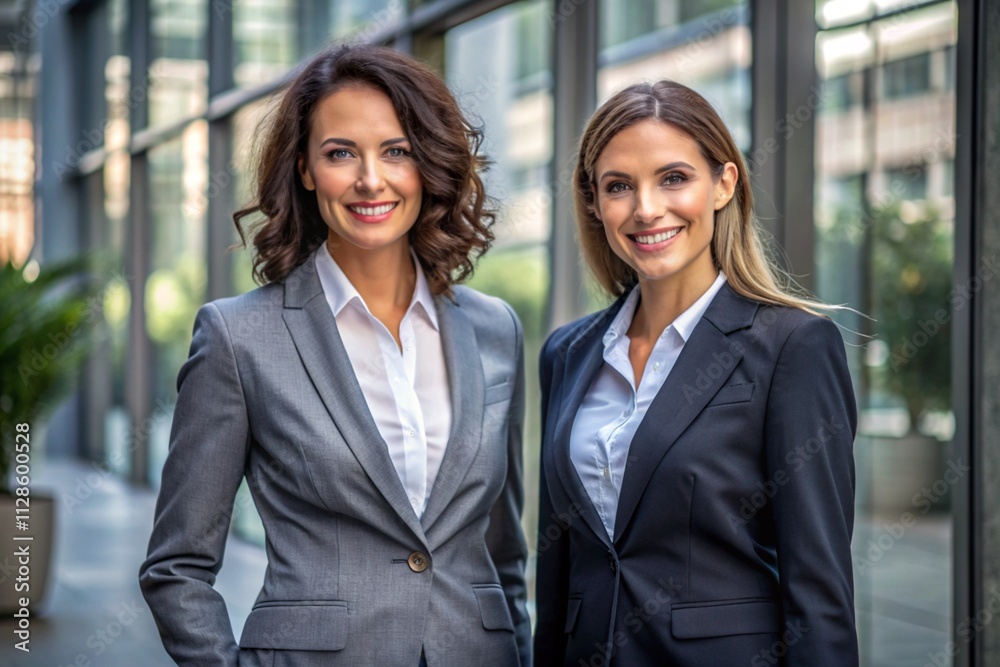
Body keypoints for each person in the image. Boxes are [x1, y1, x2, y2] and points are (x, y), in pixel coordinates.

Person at [139, 44, 531, 667]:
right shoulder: (239, 337)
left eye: (396, 151)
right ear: (304, 169)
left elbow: (503, 552)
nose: (370, 179)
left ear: (428, 165)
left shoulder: (494, 329)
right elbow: (177, 567)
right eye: (340, 153)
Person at [533, 80, 858, 667]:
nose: (646, 209)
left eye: (673, 178)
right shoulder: (566, 353)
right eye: (619, 186)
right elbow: (558, 572)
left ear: (723, 185)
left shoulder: (792, 347)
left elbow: (821, 591)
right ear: (593, 202)